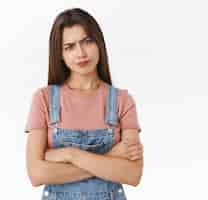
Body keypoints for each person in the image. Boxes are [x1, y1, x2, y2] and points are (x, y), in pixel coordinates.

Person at [24, 8, 144, 200]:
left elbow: (132, 174)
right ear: (60, 54)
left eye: (87, 42)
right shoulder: (43, 99)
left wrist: (69, 155)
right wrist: (110, 159)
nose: (80, 53)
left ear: (99, 44)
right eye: (69, 46)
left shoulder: (122, 101)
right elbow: (37, 174)